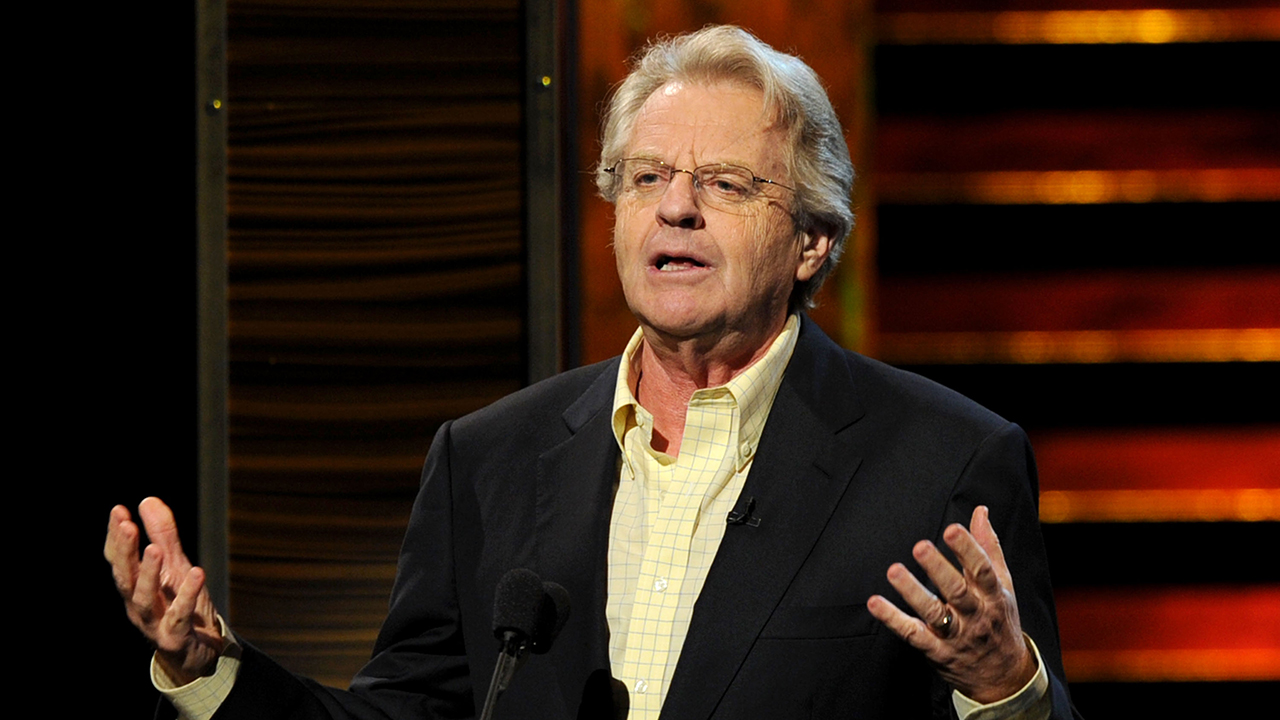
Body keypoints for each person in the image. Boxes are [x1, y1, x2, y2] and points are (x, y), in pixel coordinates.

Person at [106, 25, 1078, 720]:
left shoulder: (941, 460)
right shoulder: (485, 459)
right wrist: (210, 672)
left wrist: (1003, 687)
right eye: (646, 177)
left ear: (812, 241)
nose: (676, 209)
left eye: (726, 184)